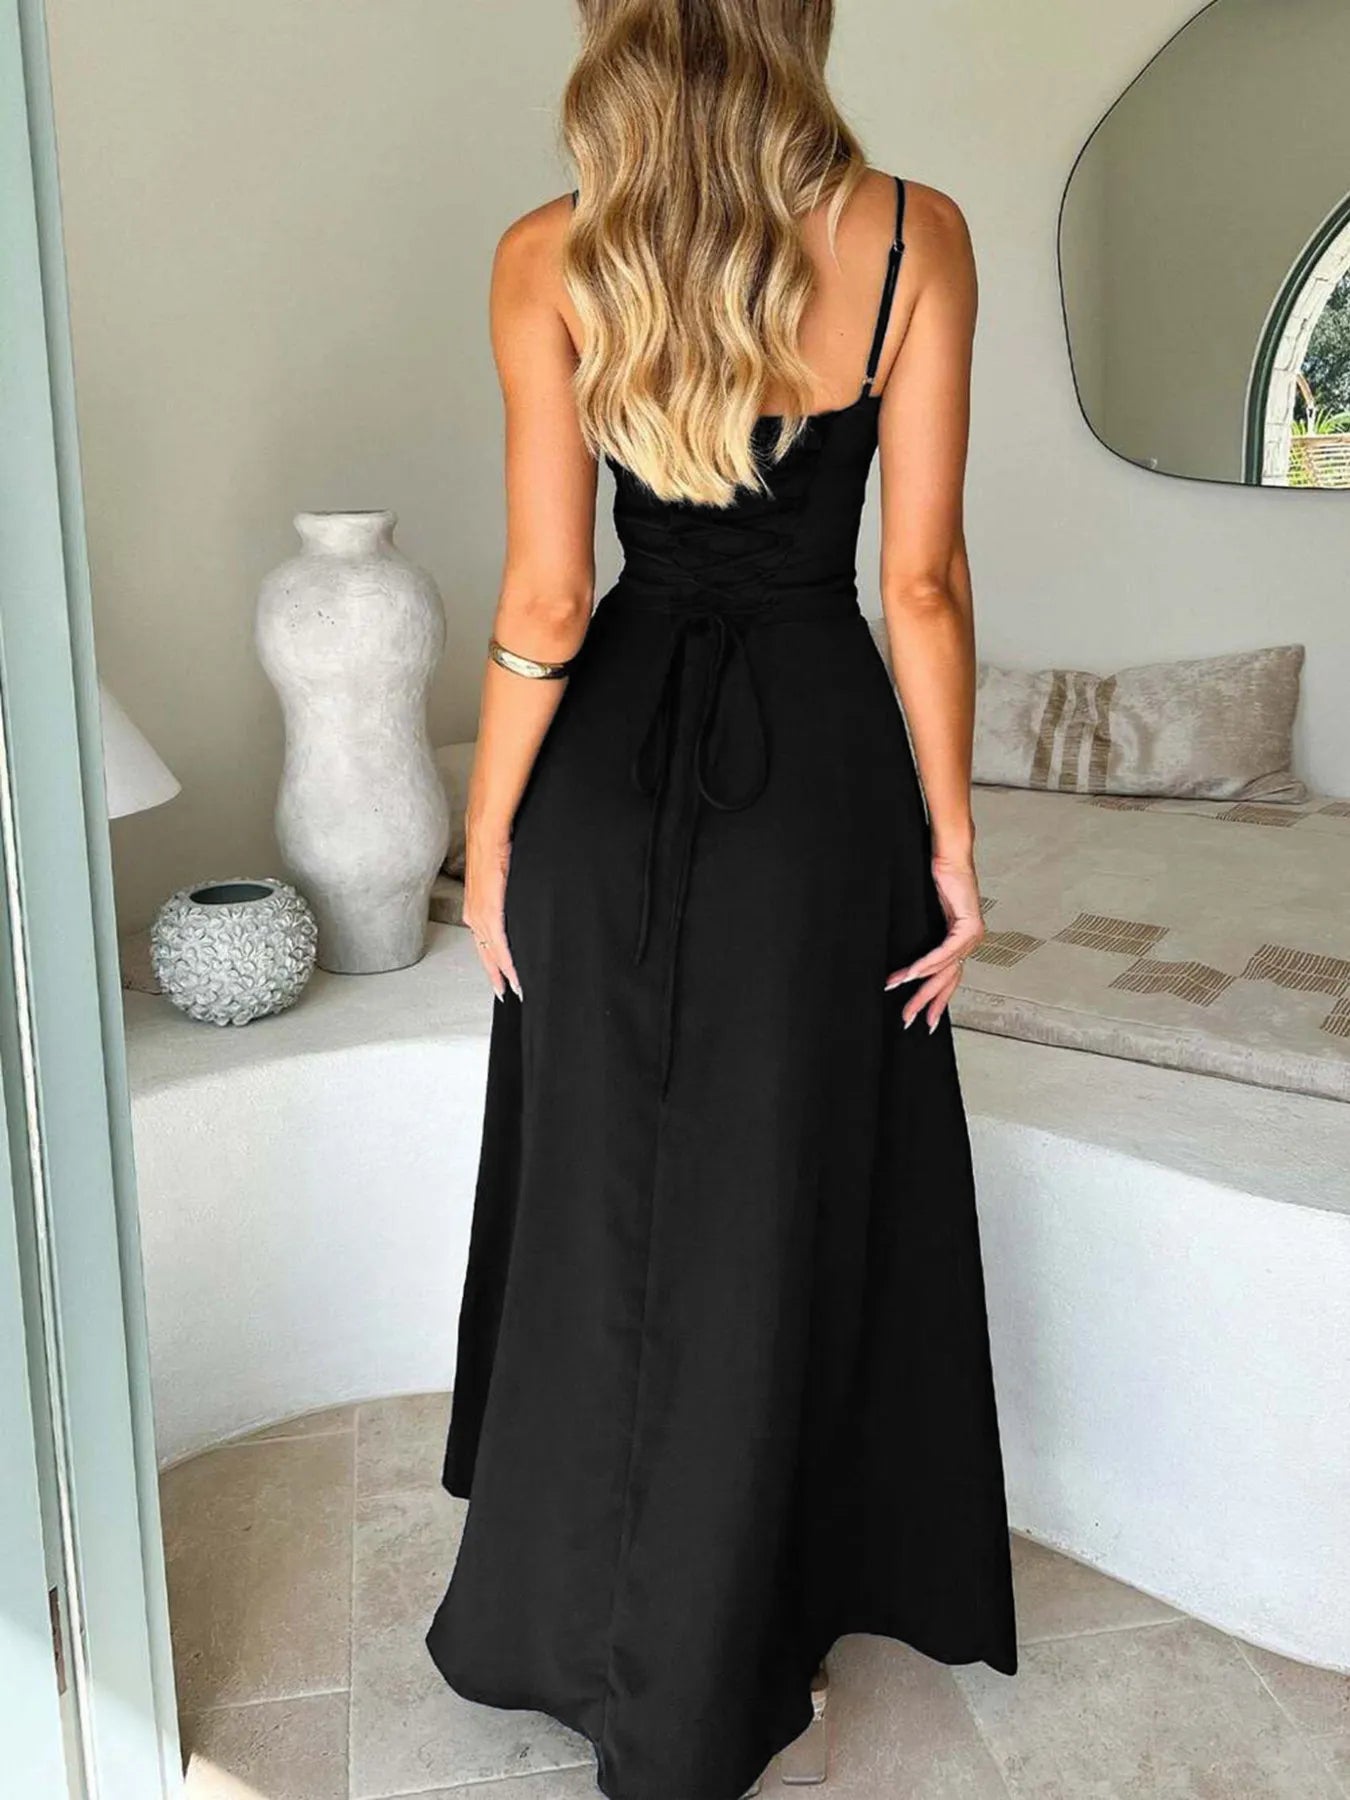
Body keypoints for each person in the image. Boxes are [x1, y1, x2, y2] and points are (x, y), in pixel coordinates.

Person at [426, 4, 1018, 1795]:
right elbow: (919, 581)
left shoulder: (549, 255)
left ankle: (569, 1625)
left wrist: (492, 829)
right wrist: (951, 837)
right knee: (782, 1189)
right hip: (819, 778)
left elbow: (546, 597)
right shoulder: (913, 234)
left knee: (603, 1188)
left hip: (606, 766)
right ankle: (750, 1631)